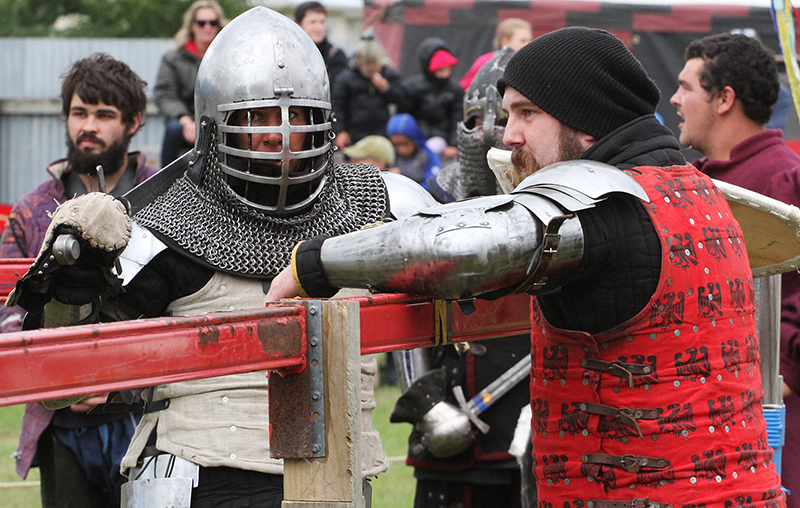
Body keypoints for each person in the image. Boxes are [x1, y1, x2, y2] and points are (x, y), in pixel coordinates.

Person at [267, 27, 786, 508]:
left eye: (527, 113)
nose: (508, 135)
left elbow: (456, 251)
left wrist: (310, 264)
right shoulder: (698, 192)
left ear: (585, 122)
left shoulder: (604, 210)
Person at [8, 8, 436, 508]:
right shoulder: (164, 229)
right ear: (216, 127)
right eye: (256, 117)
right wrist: (73, 281)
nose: (278, 134)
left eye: (296, 116)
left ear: (322, 122)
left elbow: (472, 287)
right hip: (199, 478)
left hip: (335, 481)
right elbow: (64, 383)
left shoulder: (380, 206)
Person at [0, 53, 157, 508]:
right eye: (79, 113)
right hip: (59, 424)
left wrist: (118, 380)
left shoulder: (167, 201)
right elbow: (10, 313)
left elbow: (182, 310)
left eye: (104, 115)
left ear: (133, 121)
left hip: (146, 416)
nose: (89, 126)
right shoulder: (32, 211)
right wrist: (57, 379)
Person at [671, 31, 800, 507]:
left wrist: (773, 385)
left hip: (768, 425)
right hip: (696, 421)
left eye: (687, 87)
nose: (674, 99)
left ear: (724, 98)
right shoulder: (693, 182)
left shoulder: (783, 180)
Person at [429, 46, 516, 202]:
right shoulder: (445, 188)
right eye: (481, 122)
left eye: (503, 123)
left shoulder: (544, 188)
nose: (494, 133)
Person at [154, 0, 226, 167]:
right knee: (173, 129)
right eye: (201, 23)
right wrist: (186, 121)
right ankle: (166, 184)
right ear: (192, 26)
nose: (207, 27)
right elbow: (164, 95)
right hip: (184, 120)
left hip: (221, 120)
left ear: (219, 26)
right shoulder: (173, 59)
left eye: (213, 22)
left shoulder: (228, 59)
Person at [332, 32, 406, 150]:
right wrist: (340, 131)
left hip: (383, 133)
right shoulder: (346, 79)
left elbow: (403, 99)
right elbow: (338, 106)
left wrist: (386, 89)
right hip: (355, 134)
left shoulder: (388, 74)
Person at [399, 37, 463, 160]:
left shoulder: (454, 90)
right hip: (415, 140)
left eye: (448, 69)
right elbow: (405, 116)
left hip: (441, 140)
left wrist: (453, 144)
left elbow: (457, 119)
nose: (446, 74)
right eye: (441, 70)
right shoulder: (412, 88)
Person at [459, 18, 532, 90]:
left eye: (529, 40)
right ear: (505, 42)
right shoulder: (487, 61)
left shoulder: (529, 63)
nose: (528, 44)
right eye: (523, 41)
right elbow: (466, 87)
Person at [295, 1, 348, 88]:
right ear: (298, 25)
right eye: (313, 22)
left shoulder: (336, 56)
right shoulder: (289, 54)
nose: (319, 27)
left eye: (322, 22)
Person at [386, 113, 441, 190]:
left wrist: (402, 182)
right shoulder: (391, 155)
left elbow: (433, 184)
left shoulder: (427, 155)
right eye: (396, 145)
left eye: (405, 144)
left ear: (414, 139)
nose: (402, 149)